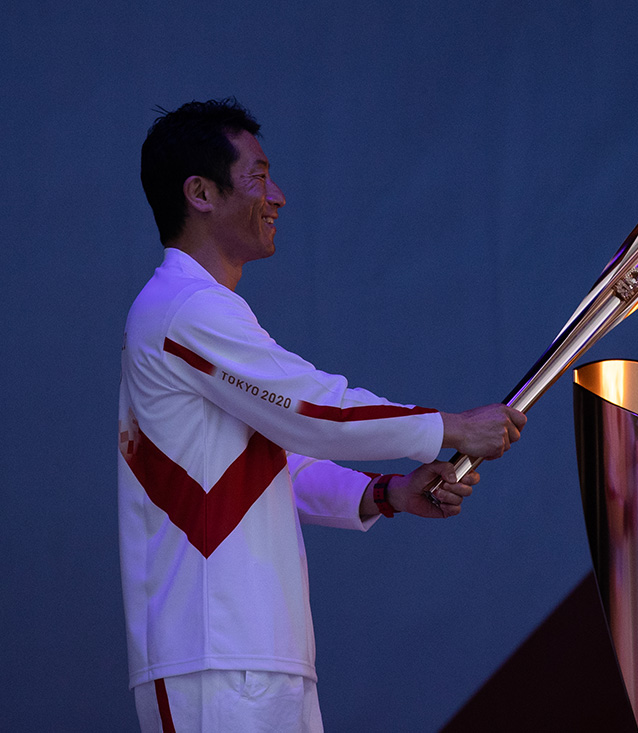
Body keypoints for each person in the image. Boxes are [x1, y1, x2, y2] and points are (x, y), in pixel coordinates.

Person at [118, 98, 526, 731]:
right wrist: (449, 427)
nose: (277, 196)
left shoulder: (204, 314)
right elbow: (314, 410)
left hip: (259, 654)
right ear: (200, 192)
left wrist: (388, 493)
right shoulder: (183, 310)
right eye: (258, 175)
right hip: (212, 657)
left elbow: (279, 464)